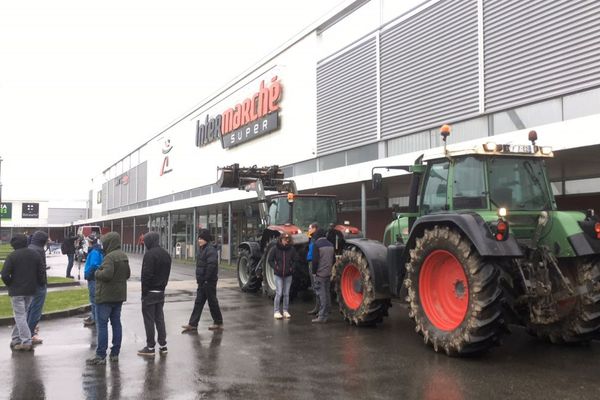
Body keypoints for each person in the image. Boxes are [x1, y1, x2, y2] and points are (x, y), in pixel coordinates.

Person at [86, 232, 131, 366]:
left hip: (106, 297)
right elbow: (127, 274)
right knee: (116, 323)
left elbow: (106, 275)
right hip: (119, 297)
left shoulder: (109, 257)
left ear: (109, 242)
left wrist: (97, 272)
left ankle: (100, 355)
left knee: (102, 325)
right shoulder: (123, 256)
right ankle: (115, 353)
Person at [1, 234, 45, 351]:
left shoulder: (12, 256)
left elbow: (4, 274)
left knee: (20, 315)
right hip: (30, 290)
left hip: (16, 290)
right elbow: (41, 271)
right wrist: (39, 283)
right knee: (22, 315)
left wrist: (10, 284)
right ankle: (16, 338)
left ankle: (26, 341)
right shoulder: (35, 254)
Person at [181, 229, 224, 332]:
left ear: (206, 239)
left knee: (212, 302)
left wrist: (206, 279)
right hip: (202, 282)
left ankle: (218, 323)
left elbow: (211, 265)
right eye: (199, 238)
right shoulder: (203, 249)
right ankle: (193, 324)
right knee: (198, 302)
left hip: (208, 282)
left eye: (201, 239)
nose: (199, 240)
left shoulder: (210, 250)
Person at [137, 232, 172, 357]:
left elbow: (146, 275)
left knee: (149, 320)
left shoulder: (149, 255)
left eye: (145, 241)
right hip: (161, 291)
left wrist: (144, 292)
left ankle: (150, 347)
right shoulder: (166, 254)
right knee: (160, 319)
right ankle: (163, 346)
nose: (145, 244)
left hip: (150, 292)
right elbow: (167, 274)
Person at [268, 232, 298, 319]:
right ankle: (276, 311)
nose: (286, 241)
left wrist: (292, 268)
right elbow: (270, 260)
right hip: (278, 275)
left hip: (288, 275)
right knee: (279, 293)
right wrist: (276, 267)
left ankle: (285, 310)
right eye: (285, 239)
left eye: (288, 239)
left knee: (286, 294)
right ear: (281, 239)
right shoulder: (275, 249)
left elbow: (296, 260)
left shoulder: (291, 249)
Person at [27, 230, 49, 344]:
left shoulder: (30, 247)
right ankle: (30, 334)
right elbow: (40, 269)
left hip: (30, 283)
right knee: (36, 310)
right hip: (38, 284)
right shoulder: (40, 250)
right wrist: (43, 282)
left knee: (30, 309)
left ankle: (26, 333)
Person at [311, 228, 335, 323]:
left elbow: (315, 261)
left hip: (320, 274)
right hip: (328, 273)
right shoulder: (331, 245)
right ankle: (327, 311)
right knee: (327, 293)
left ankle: (321, 316)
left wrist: (314, 272)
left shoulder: (317, 245)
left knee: (322, 295)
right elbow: (333, 260)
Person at [83, 234, 104, 327]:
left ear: (90, 242)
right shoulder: (96, 250)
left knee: (93, 299)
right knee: (94, 298)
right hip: (94, 278)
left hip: (93, 278)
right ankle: (93, 316)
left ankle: (95, 318)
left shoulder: (94, 252)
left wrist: (88, 274)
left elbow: (94, 265)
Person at [306, 222, 320, 315]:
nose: (308, 230)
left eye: (310, 228)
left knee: (316, 285)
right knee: (315, 285)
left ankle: (318, 308)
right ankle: (318, 307)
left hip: (313, 262)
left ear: (314, 228)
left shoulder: (316, 239)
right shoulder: (312, 238)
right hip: (310, 261)